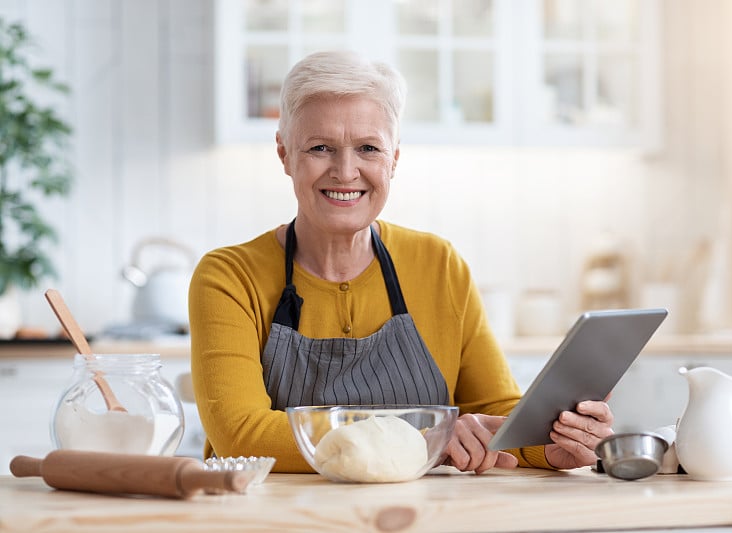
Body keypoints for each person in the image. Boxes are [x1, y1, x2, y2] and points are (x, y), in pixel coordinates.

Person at [189, 50, 614, 474]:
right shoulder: (229, 276)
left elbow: (494, 412)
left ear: (393, 158)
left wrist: (549, 444)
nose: (345, 171)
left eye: (368, 148)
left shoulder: (439, 264)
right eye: (320, 148)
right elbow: (241, 434)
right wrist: (430, 439)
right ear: (284, 153)